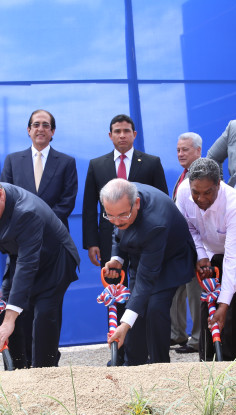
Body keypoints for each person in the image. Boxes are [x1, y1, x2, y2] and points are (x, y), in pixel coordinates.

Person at [0, 171, 79, 369]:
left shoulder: (26, 212)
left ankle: (44, 370)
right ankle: (16, 370)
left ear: (0, 194)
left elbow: (28, 265)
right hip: (21, 256)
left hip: (54, 260)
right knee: (7, 310)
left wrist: (10, 319)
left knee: (43, 316)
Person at [82, 114, 168, 365]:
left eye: (126, 131)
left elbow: (161, 201)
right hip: (110, 241)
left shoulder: (151, 163)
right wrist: (92, 242)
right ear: (110, 135)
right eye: (117, 131)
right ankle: (119, 353)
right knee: (116, 294)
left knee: (144, 291)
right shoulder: (97, 165)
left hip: (145, 240)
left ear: (134, 134)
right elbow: (89, 207)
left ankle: (143, 351)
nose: (122, 135)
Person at [101, 179, 196, 365]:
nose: (116, 221)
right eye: (110, 216)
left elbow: (145, 281)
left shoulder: (154, 223)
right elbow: (118, 230)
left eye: (122, 215)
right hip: (143, 254)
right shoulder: (121, 202)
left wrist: (124, 325)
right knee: (135, 307)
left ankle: (159, 366)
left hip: (170, 261)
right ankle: (133, 363)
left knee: (154, 308)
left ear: (136, 203)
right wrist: (117, 258)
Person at [175, 158, 236, 361]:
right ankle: (207, 360)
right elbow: (188, 228)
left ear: (219, 185)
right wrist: (201, 255)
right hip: (211, 250)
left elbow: (233, 258)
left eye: (208, 192)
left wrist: (224, 305)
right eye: (196, 192)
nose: (201, 198)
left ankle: (232, 363)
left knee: (232, 305)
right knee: (208, 301)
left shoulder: (235, 204)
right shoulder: (184, 192)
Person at [0, 109, 77, 229]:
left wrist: (45, 222)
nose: (40, 129)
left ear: (53, 131)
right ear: (29, 130)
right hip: (21, 230)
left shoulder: (67, 162)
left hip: (55, 231)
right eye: (36, 124)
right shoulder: (12, 161)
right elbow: (6, 197)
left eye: (45, 125)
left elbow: (68, 200)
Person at [171, 132, 203, 353]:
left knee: (195, 292)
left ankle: (199, 339)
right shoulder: (183, 175)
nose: (180, 154)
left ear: (198, 151)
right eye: (178, 150)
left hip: (196, 244)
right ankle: (177, 334)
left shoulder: (203, 174)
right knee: (176, 289)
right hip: (179, 245)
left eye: (185, 149)